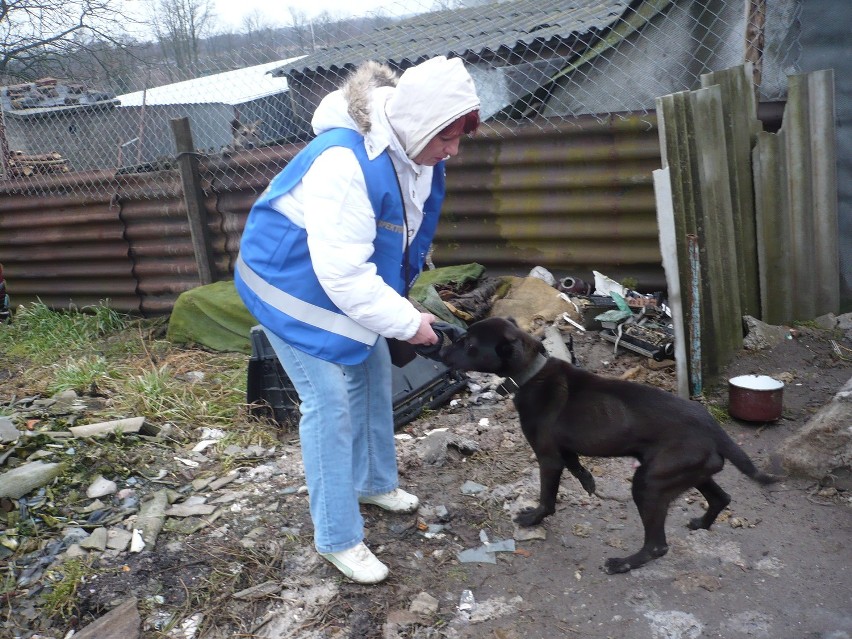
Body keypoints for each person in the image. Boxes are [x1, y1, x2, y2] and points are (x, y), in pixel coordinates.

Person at [235, 56, 481, 584]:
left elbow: (393, 240)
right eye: (449, 136)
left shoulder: (417, 154)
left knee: (371, 366)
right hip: (288, 282)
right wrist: (409, 322)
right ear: (418, 125)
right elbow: (343, 276)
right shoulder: (343, 162)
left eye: (461, 136)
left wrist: (397, 310)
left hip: (335, 272)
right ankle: (337, 537)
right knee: (328, 402)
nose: (455, 149)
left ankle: (374, 481)